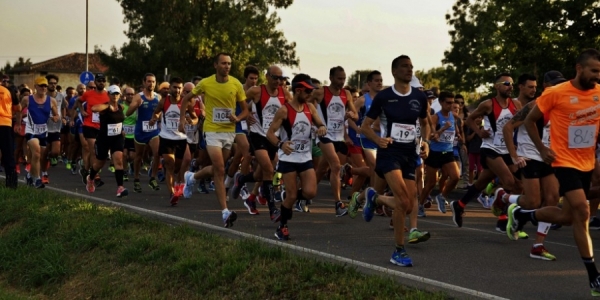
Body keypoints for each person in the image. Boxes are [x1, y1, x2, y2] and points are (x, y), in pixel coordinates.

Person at [509, 49, 600, 295]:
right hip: (563, 161)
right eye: (594, 71)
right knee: (583, 210)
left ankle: (524, 216)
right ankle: (594, 276)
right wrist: (542, 148)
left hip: (587, 161)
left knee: (567, 217)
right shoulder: (556, 93)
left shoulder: (599, 94)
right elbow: (529, 121)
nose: (597, 76)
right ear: (579, 69)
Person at [360, 55, 431, 267]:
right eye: (404, 67)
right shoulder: (384, 97)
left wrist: (425, 141)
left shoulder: (419, 97)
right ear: (394, 71)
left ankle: (374, 197)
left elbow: (425, 123)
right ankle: (399, 250)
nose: (409, 70)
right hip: (389, 152)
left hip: (410, 153)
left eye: (411, 67)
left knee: (407, 205)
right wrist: (378, 139)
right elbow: (365, 126)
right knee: (402, 200)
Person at [494, 73, 561, 261]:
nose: (559, 88)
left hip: (548, 157)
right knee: (532, 202)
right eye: (555, 85)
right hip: (530, 156)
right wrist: (514, 156)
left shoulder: (561, 105)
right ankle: (505, 198)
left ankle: (538, 245)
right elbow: (508, 128)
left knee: (552, 198)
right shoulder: (534, 106)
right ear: (546, 86)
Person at [181, 52, 249, 228]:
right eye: (224, 63)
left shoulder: (236, 84)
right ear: (216, 65)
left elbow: (246, 110)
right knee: (219, 169)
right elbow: (187, 98)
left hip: (229, 132)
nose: (227, 66)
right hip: (212, 131)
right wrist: (182, 119)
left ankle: (192, 177)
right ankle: (225, 212)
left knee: (218, 169)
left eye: (229, 63)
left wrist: (238, 118)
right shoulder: (206, 82)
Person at [450, 73, 523, 231]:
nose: (510, 86)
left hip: (506, 150)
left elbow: (520, 124)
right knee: (509, 182)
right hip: (490, 148)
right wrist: (479, 131)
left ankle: (459, 204)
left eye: (511, 84)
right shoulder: (488, 104)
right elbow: (469, 120)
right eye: (506, 83)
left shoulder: (516, 104)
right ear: (497, 86)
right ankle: (502, 218)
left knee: (494, 184)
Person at [266, 74, 327, 240]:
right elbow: (270, 133)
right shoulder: (284, 110)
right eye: (307, 91)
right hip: (288, 158)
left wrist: (321, 128)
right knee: (292, 195)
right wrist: (280, 144)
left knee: (310, 192)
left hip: (305, 157)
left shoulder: (310, 107)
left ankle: (287, 203)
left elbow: (320, 124)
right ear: (298, 90)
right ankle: (282, 226)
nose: (310, 94)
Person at [231, 65, 291, 220]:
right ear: (267, 76)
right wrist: (246, 114)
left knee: (260, 175)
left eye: (281, 78)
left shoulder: (285, 93)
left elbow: (292, 109)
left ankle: (241, 179)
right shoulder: (257, 91)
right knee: (269, 170)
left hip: (274, 137)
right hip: (257, 135)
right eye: (275, 77)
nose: (278, 81)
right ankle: (273, 210)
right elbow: (238, 101)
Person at [312, 66, 358, 217]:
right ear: (331, 77)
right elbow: (304, 104)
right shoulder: (320, 92)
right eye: (339, 78)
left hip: (339, 136)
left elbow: (356, 115)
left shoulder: (346, 94)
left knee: (322, 169)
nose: (342, 81)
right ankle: (338, 204)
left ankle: (302, 195)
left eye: (344, 78)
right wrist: (316, 122)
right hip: (324, 135)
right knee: (336, 166)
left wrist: (351, 114)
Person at [153, 77, 196, 205]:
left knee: (177, 167)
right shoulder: (163, 102)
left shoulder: (186, 102)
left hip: (181, 138)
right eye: (175, 87)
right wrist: (153, 119)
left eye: (179, 88)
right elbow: (156, 113)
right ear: (170, 88)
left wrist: (191, 121)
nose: (177, 90)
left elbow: (195, 118)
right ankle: (172, 193)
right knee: (170, 164)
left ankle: (176, 182)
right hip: (166, 137)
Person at [419, 91, 461, 215]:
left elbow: (456, 130)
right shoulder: (435, 117)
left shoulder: (454, 116)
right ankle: (420, 204)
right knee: (431, 183)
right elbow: (429, 136)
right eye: (448, 103)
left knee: (455, 177)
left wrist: (459, 135)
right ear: (441, 102)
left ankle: (442, 196)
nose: (450, 105)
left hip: (447, 152)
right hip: (435, 153)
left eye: (452, 103)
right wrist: (442, 130)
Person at [85, 85, 128, 198]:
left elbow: (119, 121)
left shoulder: (121, 107)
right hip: (104, 139)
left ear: (120, 95)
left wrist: (122, 130)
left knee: (118, 160)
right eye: (113, 94)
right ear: (108, 94)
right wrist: (107, 106)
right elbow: (94, 109)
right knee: (100, 163)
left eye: (117, 94)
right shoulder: (104, 108)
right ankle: (91, 178)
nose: (115, 96)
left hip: (117, 138)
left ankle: (120, 187)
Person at [20, 77, 60, 188]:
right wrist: (18, 123)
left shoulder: (51, 100)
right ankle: (37, 179)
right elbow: (18, 110)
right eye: (41, 85)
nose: (43, 88)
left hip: (43, 131)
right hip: (31, 129)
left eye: (45, 86)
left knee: (39, 157)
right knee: (36, 153)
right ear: (35, 87)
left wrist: (56, 118)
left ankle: (29, 175)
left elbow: (56, 114)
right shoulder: (27, 99)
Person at [126, 73, 162, 193]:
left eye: (153, 81)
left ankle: (152, 177)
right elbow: (128, 113)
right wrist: (136, 105)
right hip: (140, 131)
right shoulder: (138, 97)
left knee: (157, 153)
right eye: (149, 81)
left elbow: (160, 113)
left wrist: (155, 117)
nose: (151, 84)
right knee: (138, 156)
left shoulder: (158, 97)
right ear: (144, 83)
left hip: (153, 131)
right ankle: (136, 178)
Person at [74, 73, 110, 187]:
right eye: (99, 80)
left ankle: (86, 169)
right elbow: (78, 101)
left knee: (97, 152)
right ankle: (96, 176)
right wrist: (81, 111)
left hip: (102, 127)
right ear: (95, 82)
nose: (101, 82)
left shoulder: (108, 95)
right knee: (93, 150)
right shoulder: (88, 94)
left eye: (103, 80)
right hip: (89, 125)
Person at [40, 74, 66, 183]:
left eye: (55, 83)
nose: (53, 85)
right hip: (44, 128)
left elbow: (63, 107)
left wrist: (63, 118)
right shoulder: (42, 96)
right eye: (51, 83)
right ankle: (44, 173)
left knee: (55, 152)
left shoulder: (60, 96)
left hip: (56, 127)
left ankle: (48, 158)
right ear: (46, 84)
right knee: (44, 152)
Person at [0, 80, 18, 188]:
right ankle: (11, 184)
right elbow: (18, 108)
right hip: (6, 124)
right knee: (8, 155)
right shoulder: (8, 91)